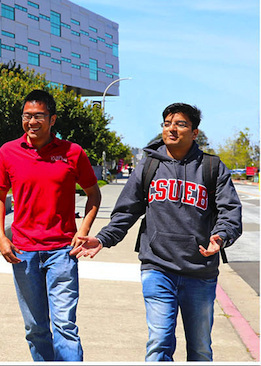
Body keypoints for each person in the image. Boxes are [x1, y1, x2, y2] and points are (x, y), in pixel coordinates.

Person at [71, 102, 242, 361]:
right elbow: (127, 211)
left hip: (200, 272)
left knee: (200, 348)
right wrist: (103, 239)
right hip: (157, 267)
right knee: (159, 342)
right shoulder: (148, 166)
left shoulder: (212, 167)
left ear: (195, 132)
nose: (172, 129)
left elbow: (230, 213)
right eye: (167, 123)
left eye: (180, 124)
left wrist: (221, 236)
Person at [0, 89, 101, 362]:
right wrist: (1, 238)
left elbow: (94, 194)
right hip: (23, 252)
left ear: (52, 119)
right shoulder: (8, 152)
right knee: (35, 328)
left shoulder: (72, 153)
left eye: (39, 116)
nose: (32, 122)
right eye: (27, 116)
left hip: (62, 252)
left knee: (64, 326)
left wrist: (83, 231)